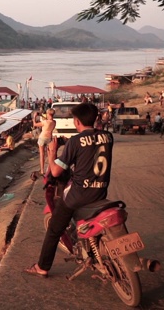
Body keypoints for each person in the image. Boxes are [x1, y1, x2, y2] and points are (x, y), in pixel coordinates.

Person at [25, 103, 114, 278]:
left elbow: (57, 171)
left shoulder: (75, 142)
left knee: (54, 229)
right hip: (100, 192)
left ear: (77, 121)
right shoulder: (108, 137)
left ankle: (42, 267)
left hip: (78, 195)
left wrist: (52, 153)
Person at [33, 109, 56, 174]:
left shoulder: (45, 122)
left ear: (48, 114)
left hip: (42, 137)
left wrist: (34, 117)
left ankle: (42, 170)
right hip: (49, 138)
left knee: (42, 154)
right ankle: (50, 169)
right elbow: (48, 119)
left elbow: (35, 124)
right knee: (49, 154)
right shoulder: (54, 122)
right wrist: (42, 116)